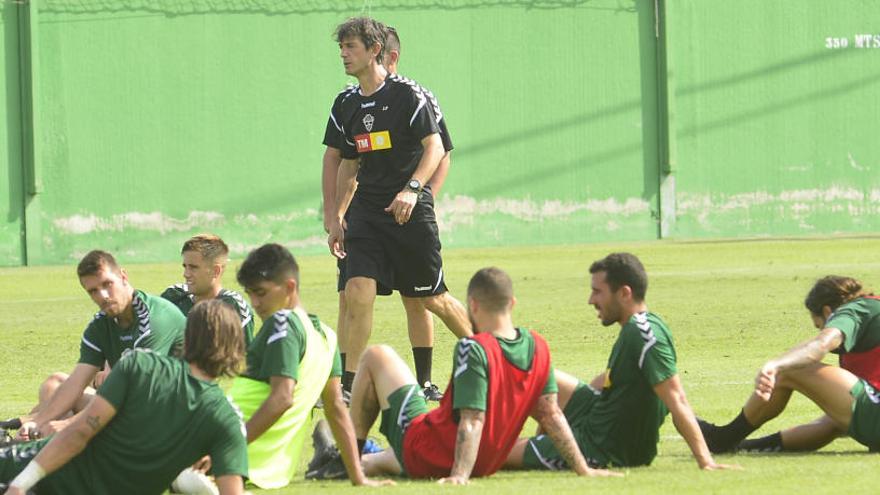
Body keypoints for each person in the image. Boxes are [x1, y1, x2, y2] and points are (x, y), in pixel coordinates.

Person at [310, 267, 618, 482]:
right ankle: (362, 459)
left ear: (472, 304)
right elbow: (551, 416)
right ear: (512, 303)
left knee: (377, 356)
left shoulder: (474, 348)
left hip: (435, 454)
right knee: (402, 441)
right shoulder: (539, 347)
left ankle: (346, 460)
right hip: (486, 463)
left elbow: (472, 420)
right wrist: (583, 469)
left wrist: (458, 476)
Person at [326, 16, 472, 405]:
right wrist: (334, 216)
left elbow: (437, 148)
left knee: (430, 299)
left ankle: (494, 356)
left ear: (376, 51)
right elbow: (345, 161)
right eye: (341, 47)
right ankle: (350, 384)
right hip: (367, 214)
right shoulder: (346, 102)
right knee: (357, 291)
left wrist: (414, 190)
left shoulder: (409, 96)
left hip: (408, 211)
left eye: (350, 47)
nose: (343, 54)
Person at [504, 253, 735, 471]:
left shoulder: (643, 334)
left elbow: (676, 399)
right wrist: (552, 410)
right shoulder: (639, 327)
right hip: (596, 417)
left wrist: (705, 461)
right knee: (531, 373)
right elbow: (609, 378)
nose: (590, 300)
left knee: (494, 454)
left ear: (624, 293)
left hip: (604, 449)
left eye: (597, 292)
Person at [0, 300, 248, 495]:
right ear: (237, 348)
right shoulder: (227, 421)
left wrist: (20, 483)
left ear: (188, 336)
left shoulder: (141, 365)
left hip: (26, 470)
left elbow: (79, 433)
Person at [227, 243, 390, 489]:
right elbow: (336, 409)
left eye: (260, 292)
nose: (255, 303)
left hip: (220, 457)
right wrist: (358, 476)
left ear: (289, 287)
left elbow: (282, 397)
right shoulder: (327, 337)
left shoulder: (282, 323)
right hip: (262, 473)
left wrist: (226, 448)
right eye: (250, 294)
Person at [6, 250, 185, 442]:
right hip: (131, 411)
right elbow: (77, 382)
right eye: (93, 291)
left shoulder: (155, 318)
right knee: (55, 386)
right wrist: (38, 423)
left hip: (171, 417)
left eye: (107, 284)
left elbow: (139, 394)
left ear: (123, 277)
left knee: (67, 425)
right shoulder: (100, 326)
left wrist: (70, 424)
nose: (103, 296)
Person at [700, 275, 880, 453]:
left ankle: (724, 438)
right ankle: (740, 446)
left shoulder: (854, 310)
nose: (822, 329)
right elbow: (829, 427)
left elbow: (821, 343)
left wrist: (776, 365)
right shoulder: (873, 310)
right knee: (832, 421)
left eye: (820, 325)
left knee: (791, 370)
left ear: (827, 312)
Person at [161, 234, 255, 348]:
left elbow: (243, 359)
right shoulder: (174, 297)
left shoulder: (232, 307)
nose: (186, 274)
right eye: (185, 266)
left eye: (193, 267)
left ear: (215, 270)